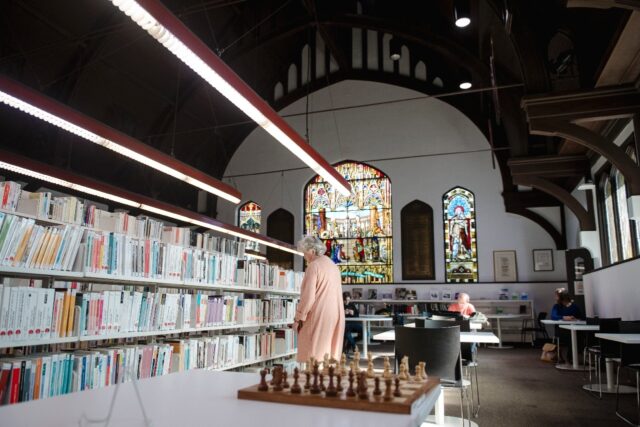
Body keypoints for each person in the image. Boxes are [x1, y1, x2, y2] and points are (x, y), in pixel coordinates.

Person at [293, 236, 345, 363]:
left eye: (304, 252)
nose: (304, 256)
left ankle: (313, 381)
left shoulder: (313, 266)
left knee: (313, 356)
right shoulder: (333, 266)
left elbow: (308, 297)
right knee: (328, 355)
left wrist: (298, 318)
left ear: (311, 250)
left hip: (318, 314)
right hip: (336, 314)